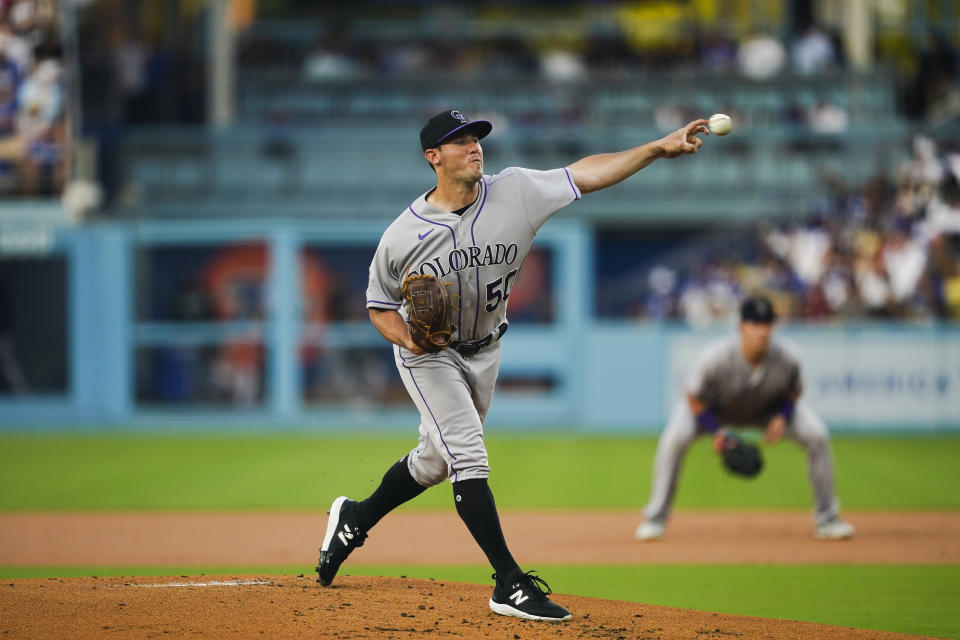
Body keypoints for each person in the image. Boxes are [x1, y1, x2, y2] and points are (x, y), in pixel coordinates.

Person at [316, 108, 709, 621]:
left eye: (476, 138)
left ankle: (355, 517)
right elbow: (378, 306)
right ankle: (509, 581)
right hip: (430, 356)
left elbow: (585, 173)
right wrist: (410, 342)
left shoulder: (516, 191)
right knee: (469, 455)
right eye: (460, 142)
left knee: (436, 462)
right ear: (433, 157)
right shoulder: (402, 235)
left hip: (486, 350)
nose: (474, 147)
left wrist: (657, 147)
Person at [635, 295, 856, 542]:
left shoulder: (788, 356)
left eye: (767, 324)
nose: (762, 331)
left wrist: (782, 417)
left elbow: (795, 391)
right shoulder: (715, 356)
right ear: (742, 327)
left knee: (817, 435)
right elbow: (693, 396)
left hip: (767, 411)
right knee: (674, 439)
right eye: (755, 324)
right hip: (714, 410)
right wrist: (717, 432)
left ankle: (827, 519)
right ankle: (656, 518)